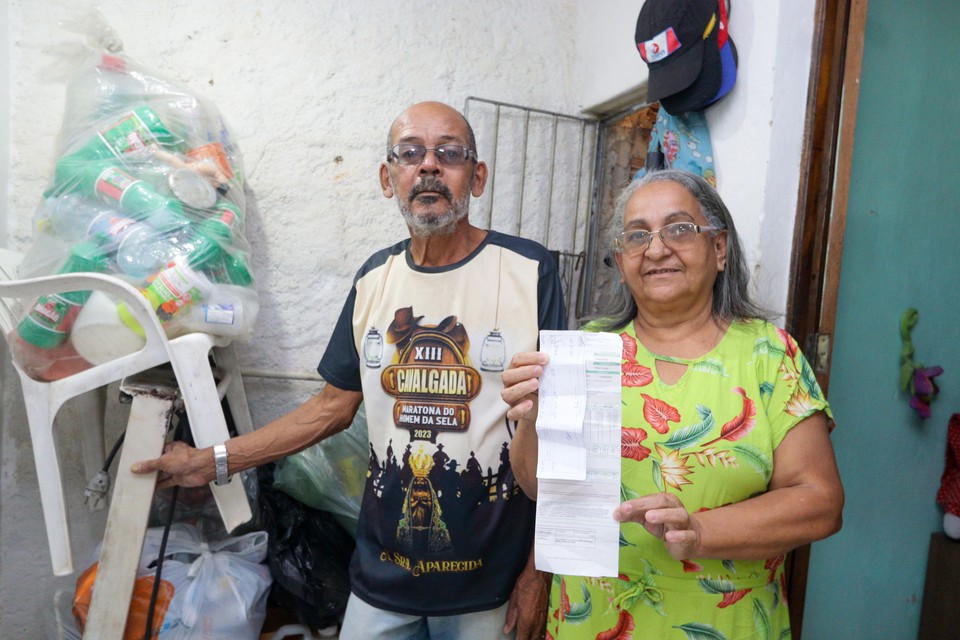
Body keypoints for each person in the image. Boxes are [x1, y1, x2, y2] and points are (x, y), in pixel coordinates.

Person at [133, 101, 565, 640]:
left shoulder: (529, 271)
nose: (428, 166)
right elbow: (330, 408)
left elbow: (557, 433)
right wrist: (212, 461)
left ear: (476, 177)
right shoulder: (374, 280)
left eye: (449, 153)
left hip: (489, 586)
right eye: (411, 153)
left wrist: (537, 575)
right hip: (381, 579)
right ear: (389, 178)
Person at [500, 169, 843, 639]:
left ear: (719, 248)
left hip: (726, 620)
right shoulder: (586, 350)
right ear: (622, 263)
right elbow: (539, 487)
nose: (656, 249)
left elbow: (820, 503)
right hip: (593, 618)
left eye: (679, 229)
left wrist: (700, 532)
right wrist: (535, 417)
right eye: (637, 236)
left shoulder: (768, 355)